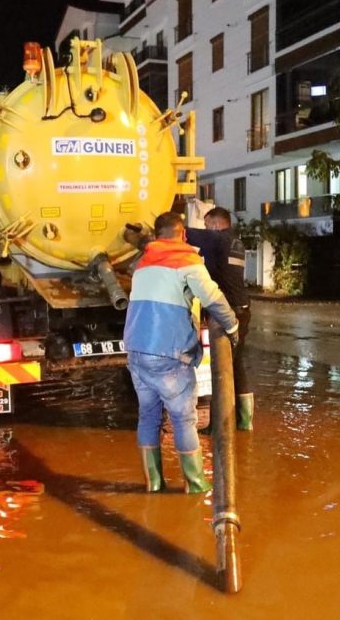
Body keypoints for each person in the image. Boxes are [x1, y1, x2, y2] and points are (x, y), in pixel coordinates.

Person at [124, 212, 239, 493]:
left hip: (136, 352)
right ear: (183, 234)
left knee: (148, 416)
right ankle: (195, 483)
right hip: (168, 354)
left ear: (157, 234)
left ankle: (153, 483)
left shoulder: (141, 263)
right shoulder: (187, 261)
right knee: (183, 419)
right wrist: (233, 326)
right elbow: (213, 298)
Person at [186, 206, 255, 431]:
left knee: (221, 368)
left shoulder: (216, 239)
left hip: (227, 313)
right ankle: (244, 423)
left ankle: (219, 426)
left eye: (207, 225)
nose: (205, 229)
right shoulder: (236, 242)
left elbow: (180, 233)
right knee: (236, 365)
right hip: (243, 309)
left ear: (216, 225)